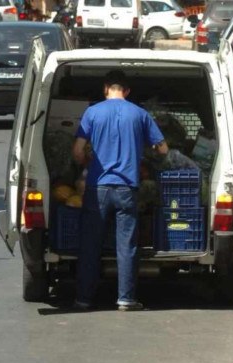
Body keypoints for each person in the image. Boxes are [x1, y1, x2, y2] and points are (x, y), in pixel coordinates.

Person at [72, 70, 168, 311]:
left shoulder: (92, 112)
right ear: (127, 91)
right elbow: (163, 149)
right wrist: (145, 152)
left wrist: (89, 164)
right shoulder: (140, 114)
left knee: (91, 244)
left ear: (106, 88)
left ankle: (84, 298)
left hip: (98, 187)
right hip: (128, 188)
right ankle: (126, 299)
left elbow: (77, 151)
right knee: (126, 245)